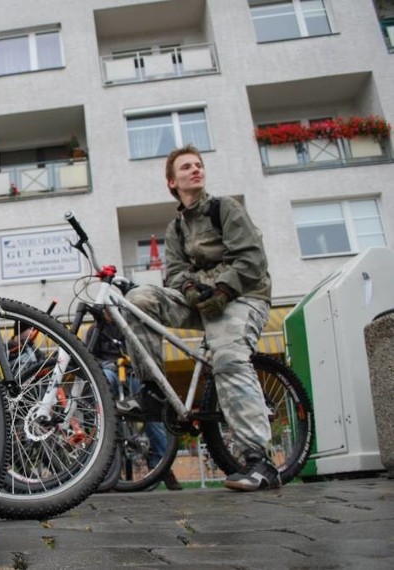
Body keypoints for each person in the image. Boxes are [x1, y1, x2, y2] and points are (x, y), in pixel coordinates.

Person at [121, 144, 278, 492]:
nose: (195, 170)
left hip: (243, 296)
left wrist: (221, 291)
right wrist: (191, 290)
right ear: (171, 183)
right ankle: (153, 390)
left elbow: (251, 260)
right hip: (202, 300)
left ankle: (260, 462)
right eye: (186, 167)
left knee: (228, 356)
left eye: (199, 165)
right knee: (137, 299)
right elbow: (174, 275)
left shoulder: (226, 209)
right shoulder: (175, 229)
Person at [86, 322, 182, 491]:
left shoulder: (127, 326)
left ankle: (162, 466)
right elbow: (89, 356)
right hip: (110, 371)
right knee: (105, 382)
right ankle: (110, 470)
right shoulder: (95, 330)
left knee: (153, 412)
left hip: (131, 372)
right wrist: (105, 364)